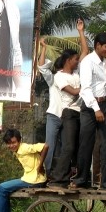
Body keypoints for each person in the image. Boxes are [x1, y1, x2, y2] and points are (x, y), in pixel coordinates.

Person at [38, 19, 88, 178]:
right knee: (51, 146)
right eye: (75, 59)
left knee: (69, 147)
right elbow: (41, 67)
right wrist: (44, 49)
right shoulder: (54, 78)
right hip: (54, 115)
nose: (77, 61)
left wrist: (81, 32)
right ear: (68, 60)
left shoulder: (76, 74)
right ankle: (46, 173)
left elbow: (85, 54)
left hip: (71, 116)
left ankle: (67, 173)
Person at [73, 32, 106, 190]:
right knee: (86, 143)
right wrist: (96, 109)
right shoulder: (87, 62)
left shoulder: (103, 61)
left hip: (104, 104)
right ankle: (80, 180)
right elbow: (85, 89)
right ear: (97, 45)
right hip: (90, 106)